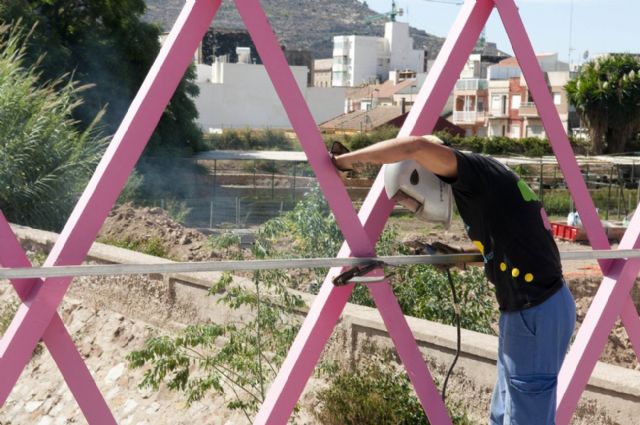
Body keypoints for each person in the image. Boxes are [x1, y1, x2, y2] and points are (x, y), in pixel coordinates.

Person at [332, 134, 576, 425]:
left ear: (423, 173)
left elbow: (415, 146)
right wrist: (458, 255)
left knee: (524, 418)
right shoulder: (483, 183)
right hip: (529, 309)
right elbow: (511, 242)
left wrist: (344, 161)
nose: (413, 206)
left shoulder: (473, 173)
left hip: (535, 309)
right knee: (503, 414)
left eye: (409, 198)